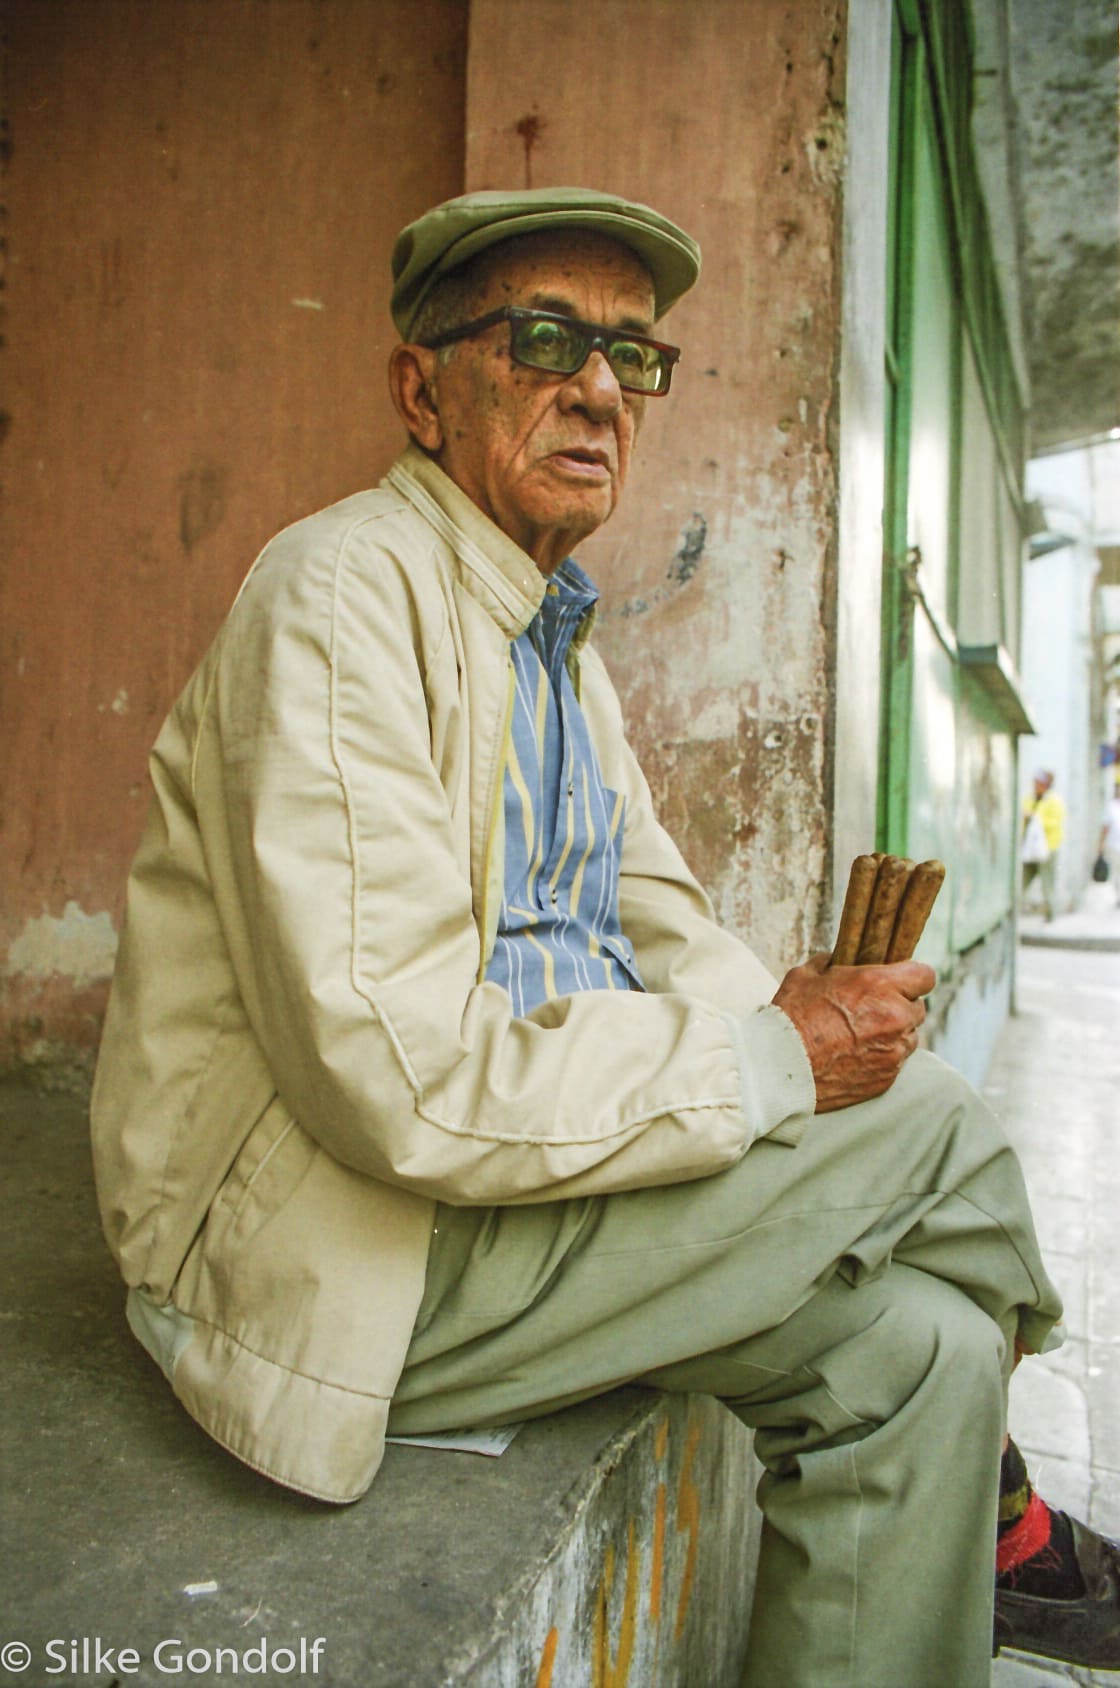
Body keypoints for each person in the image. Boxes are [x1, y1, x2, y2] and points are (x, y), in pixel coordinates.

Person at [90, 187, 1120, 1686]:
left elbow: (664, 929)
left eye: (631, 356)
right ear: (420, 391)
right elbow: (399, 1077)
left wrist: (808, 1025)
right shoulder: (341, 595)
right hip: (348, 1239)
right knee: (934, 1130)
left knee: (927, 1361)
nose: (597, 390)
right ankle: (1012, 1525)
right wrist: (781, 1067)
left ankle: (987, 1477)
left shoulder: (553, 643)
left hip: (528, 1192)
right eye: (544, 340)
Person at [1021, 768, 1066, 921]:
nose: (1035, 785)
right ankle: (1014, 910)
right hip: (1030, 848)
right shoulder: (1030, 799)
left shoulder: (1054, 801)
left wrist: (1036, 818)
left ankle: (1050, 913)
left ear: (1045, 784)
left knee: (1047, 881)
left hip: (1047, 848)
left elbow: (1056, 822)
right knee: (1022, 880)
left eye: (1038, 783)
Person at [1098, 781, 1120, 903]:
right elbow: (1105, 827)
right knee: (1116, 871)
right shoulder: (1111, 806)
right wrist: (1101, 844)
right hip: (1114, 845)